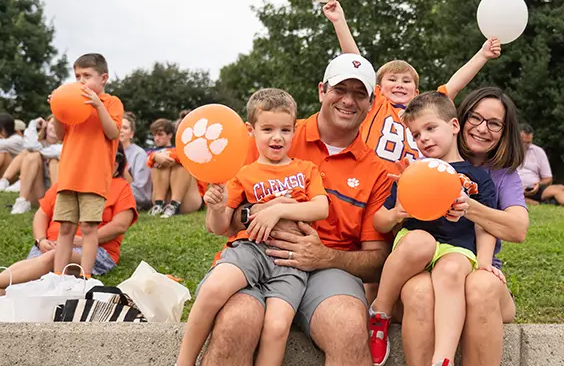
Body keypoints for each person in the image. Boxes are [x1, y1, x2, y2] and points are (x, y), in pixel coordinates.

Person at [199, 54, 428, 366]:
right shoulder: (275, 133)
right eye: (340, 90)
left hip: (328, 273)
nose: (348, 100)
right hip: (257, 258)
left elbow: (377, 261)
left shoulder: (376, 171)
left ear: (371, 101)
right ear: (322, 90)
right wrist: (259, 213)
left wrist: (325, 257)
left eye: (359, 93)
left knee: (348, 327)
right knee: (236, 322)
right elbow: (222, 220)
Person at [178, 89, 329, 366]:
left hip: (290, 262)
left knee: (277, 327)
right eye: (268, 129)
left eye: (285, 129)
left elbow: (321, 208)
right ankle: (183, 362)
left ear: (294, 129)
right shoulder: (243, 173)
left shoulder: (306, 169)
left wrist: (279, 209)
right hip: (251, 249)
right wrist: (215, 206)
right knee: (214, 290)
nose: (276, 137)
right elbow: (219, 226)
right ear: (251, 130)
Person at [394, 87, 529, 366]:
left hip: (475, 267)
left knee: (480, 286)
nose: (482, 128)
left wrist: (471, 206)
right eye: (476, 118)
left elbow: (518, 229)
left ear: (505, 131)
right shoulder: (427, 161)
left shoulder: (502, 175)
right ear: (459, 121)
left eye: (494, 123)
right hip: (426, 262)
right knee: (419, 290)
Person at [368, 92, 497, 366]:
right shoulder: (412, 173)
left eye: (430, 128)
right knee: (422, 242)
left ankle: (443, 358)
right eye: (415, 135)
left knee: (451, 269)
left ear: (453, 125)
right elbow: (378, 220)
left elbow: (485, 227)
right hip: (415, 246)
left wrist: (484, 262)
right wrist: (395, 215)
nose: (423, 138)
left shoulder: (478, 179)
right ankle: (380, 312)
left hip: (457, 250)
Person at [323, 0, 501, 173]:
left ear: (416, 92)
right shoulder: (376, 104)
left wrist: (482, 55)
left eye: (406, 81)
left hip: (411, 183)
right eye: (392, 80)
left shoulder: (426, 110)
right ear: (377, 88)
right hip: (370, 177)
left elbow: (454, 85)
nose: (399, 85)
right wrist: (339, 21)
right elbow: (357, 61)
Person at [0, 144, 137, 293]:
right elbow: (42, 213)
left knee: (54, 257)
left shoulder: (121, 187)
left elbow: (120, 225)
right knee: (37, 263)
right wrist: (41, 240)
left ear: (116, 163)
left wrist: (81, 240)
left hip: (95, 250)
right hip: (51, 244)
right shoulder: (67, 183)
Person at [50, 53, 124, 276]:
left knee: (89, 228)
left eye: (87, 75)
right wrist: (57, 110)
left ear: (103, 78)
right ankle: (58, 277)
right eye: (77, 76)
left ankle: (85, 275)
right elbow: (61, 135)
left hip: (94, 178)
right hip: (69, 176)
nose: (81, 81)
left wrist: (97, 106)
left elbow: (113, 132)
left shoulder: (111, 102)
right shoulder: (72, 104)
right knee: (66, 228)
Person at [0, 116, 63, 214]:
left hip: (53, 189)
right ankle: (22, 201)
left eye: (59, 125)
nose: (54, 127)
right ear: (45, 125)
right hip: (38, 192)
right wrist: (33, 123)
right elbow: (31, 147)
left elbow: (33, 146)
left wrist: (35, 147)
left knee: (51, 159)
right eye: (52, 124)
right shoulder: (38, 144)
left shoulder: (65, 145)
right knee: (31, 155)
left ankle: (57, 202)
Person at [146, 118, 202, 218]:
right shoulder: (149, 152)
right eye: (154, 135)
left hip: (187, 198)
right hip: (162, 193)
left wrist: (160, 156)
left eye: (160, 134)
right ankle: (159, 205)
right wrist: (155, 157)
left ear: (170, 135)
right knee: (158, 162)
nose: (156, 138)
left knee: (181, 163)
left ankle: (174, 204)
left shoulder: (192, 150)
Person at [119, 112, 152, 210]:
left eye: (125, 128)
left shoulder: (139, 154)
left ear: (131, 134)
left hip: (135, 198)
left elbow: (142, 193)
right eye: (118, 127)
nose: (121, 130)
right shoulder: (106, 151)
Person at [0, 113, 24, 187]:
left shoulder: (16, 140)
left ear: (1, 126)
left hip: (13, 174)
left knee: (0, 152)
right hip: (1, 173)